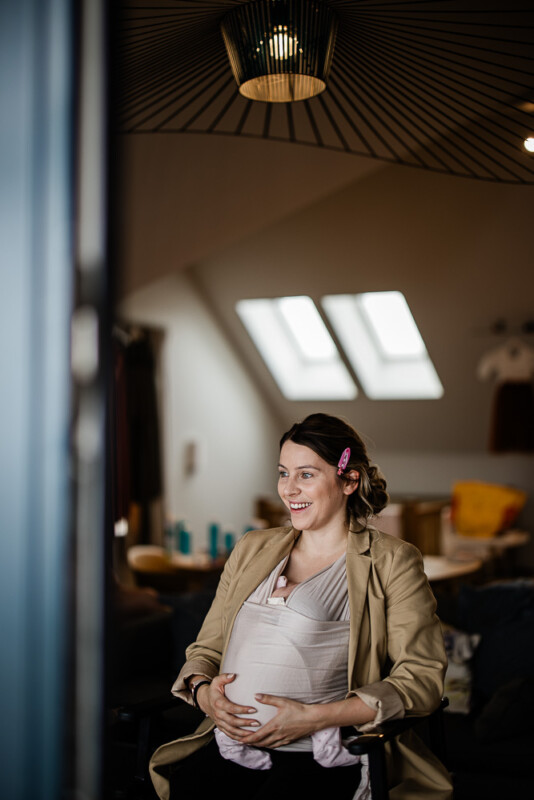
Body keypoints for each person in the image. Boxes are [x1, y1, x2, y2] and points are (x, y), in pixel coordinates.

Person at [150, 414, 452, 800]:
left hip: (323, 755)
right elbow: (206, 649)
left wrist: (315, 717)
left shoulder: (391, 561)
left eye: (306, 474)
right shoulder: (251, 549)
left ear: (349, 480)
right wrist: (203, 692)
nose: (289, 489)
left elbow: (422, 678)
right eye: (283, 473)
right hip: (231, 746)